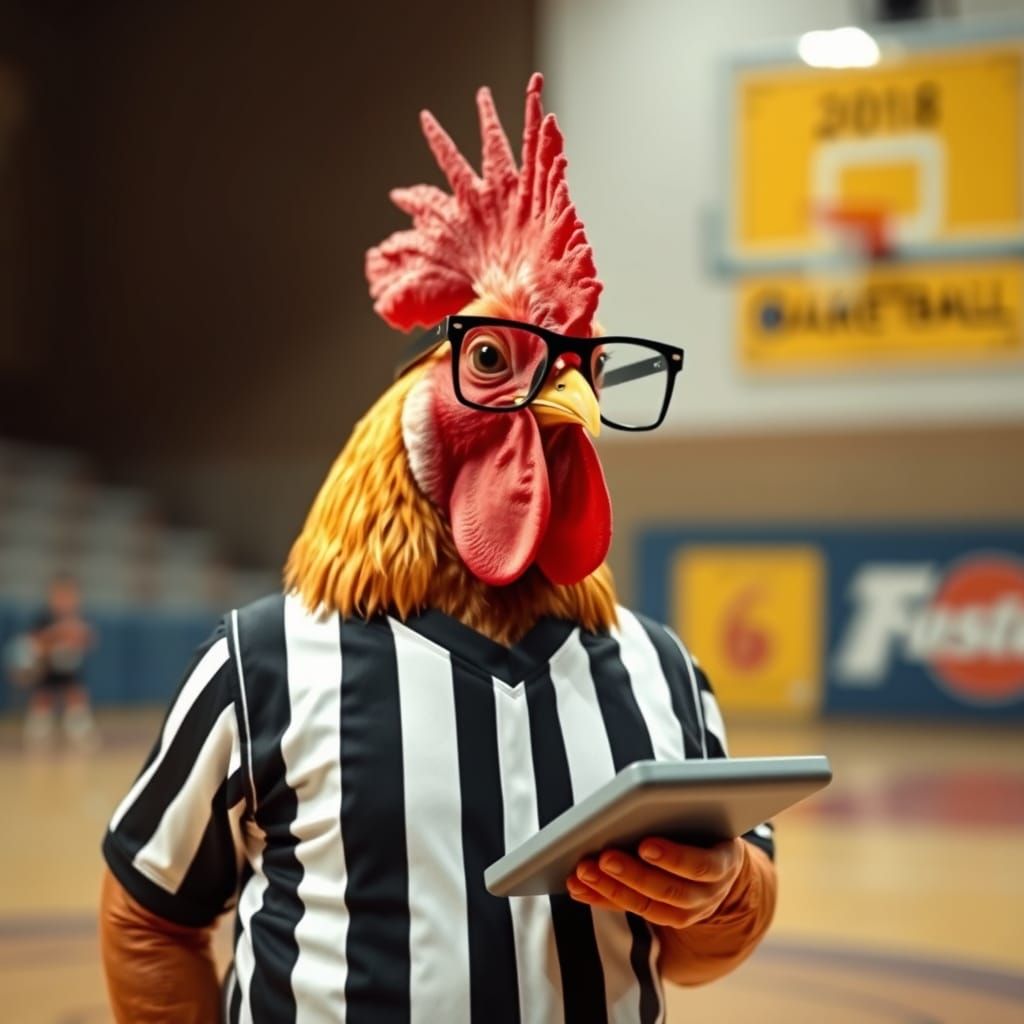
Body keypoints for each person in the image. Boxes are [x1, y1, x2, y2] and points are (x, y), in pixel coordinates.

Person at [99, 75, 776, 1023]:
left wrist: (723, 889)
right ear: (418, 409)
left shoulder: (664, 672)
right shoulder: (261, 667)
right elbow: (150, 915)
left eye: (579, 371)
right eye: (494, 362)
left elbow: (712, 941)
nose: (566, 392)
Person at [23, 573, 96, 747]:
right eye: (60, 596)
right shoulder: (43, 619)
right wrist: (55, 635)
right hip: (46, 671)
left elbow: (88, 641)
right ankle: (38, 738)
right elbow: (35, 644)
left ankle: (80, 735)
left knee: (76, 700)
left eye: (69, 596)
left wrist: (78, 636)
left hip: (70, 671)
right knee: (42, 703)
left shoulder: (78, 619)